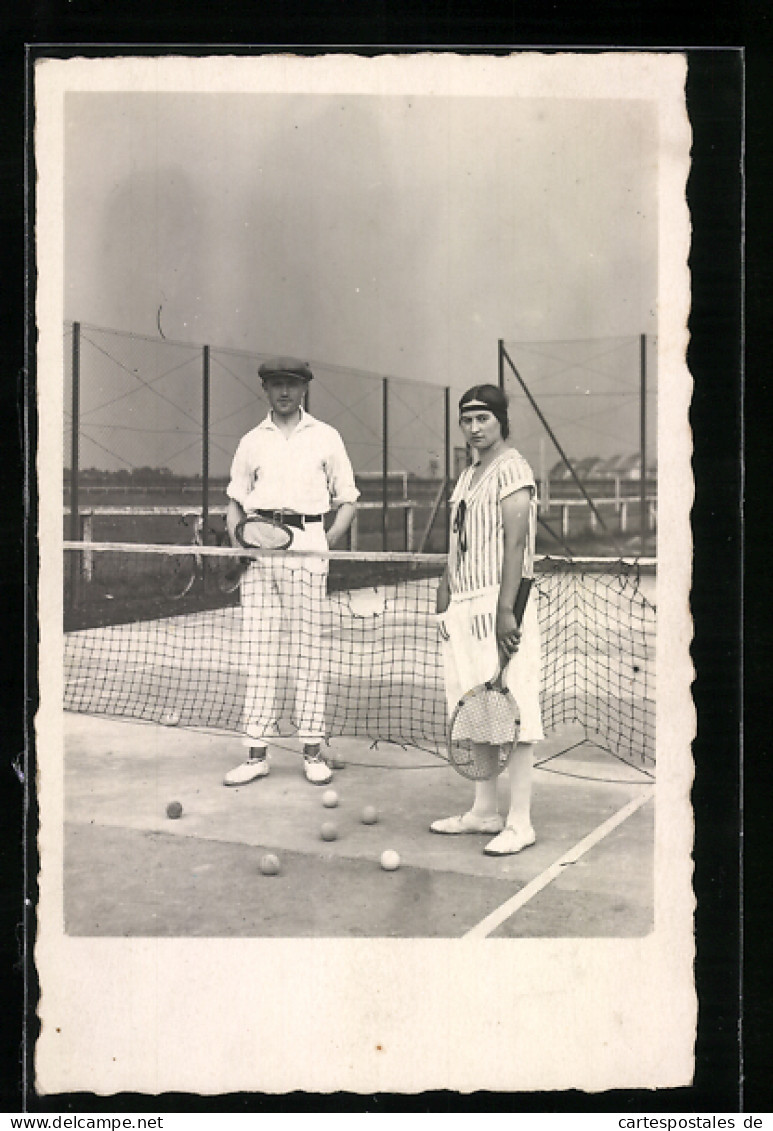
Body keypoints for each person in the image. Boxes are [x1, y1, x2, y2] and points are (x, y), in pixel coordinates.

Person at [223, 357, 359, 787]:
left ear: (304, 390)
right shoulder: (251, 441)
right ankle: (255, 754)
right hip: (258, 548)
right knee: (258, 649)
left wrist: (323, 542)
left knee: (307, 651)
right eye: (276, 384)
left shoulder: (326, 437)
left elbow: (348, 499)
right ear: (265, 389)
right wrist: (238, 544)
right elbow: (235, 502)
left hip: (307, 545)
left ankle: (313, 751)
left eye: (292, 385)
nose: (284, 392)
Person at [431, 384, 544, 855]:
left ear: (501, 420)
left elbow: (516, 545)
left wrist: (504, 611)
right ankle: (484, 812)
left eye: (483, 419)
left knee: (515, 714)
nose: (474, 428)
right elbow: (460, 542)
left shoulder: (512, 468)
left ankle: (520, 822)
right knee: (475, 709)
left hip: (501, 606)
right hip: (462, 606)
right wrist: (444, 589)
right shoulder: (469, 474)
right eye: (467, 420)